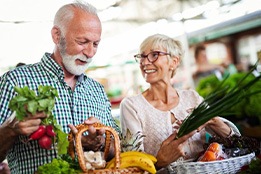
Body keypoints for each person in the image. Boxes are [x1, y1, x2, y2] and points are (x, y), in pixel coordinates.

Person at [0, 1, 119, 174]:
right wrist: (10, 130)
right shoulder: (15, 81)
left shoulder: (97, 91)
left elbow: (117, 151)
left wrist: (101, 142)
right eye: (82, 41)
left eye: (95, 44)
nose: (90, 52)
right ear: (57, 35)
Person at [120, 34, 240, 171]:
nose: (145, 62)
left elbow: (237, 143)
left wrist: (213, 121)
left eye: (154, 55)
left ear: (174, 62)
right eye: (142, 56)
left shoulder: (192, 98)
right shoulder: (132, 106)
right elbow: (133, 167)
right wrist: (159, 162)